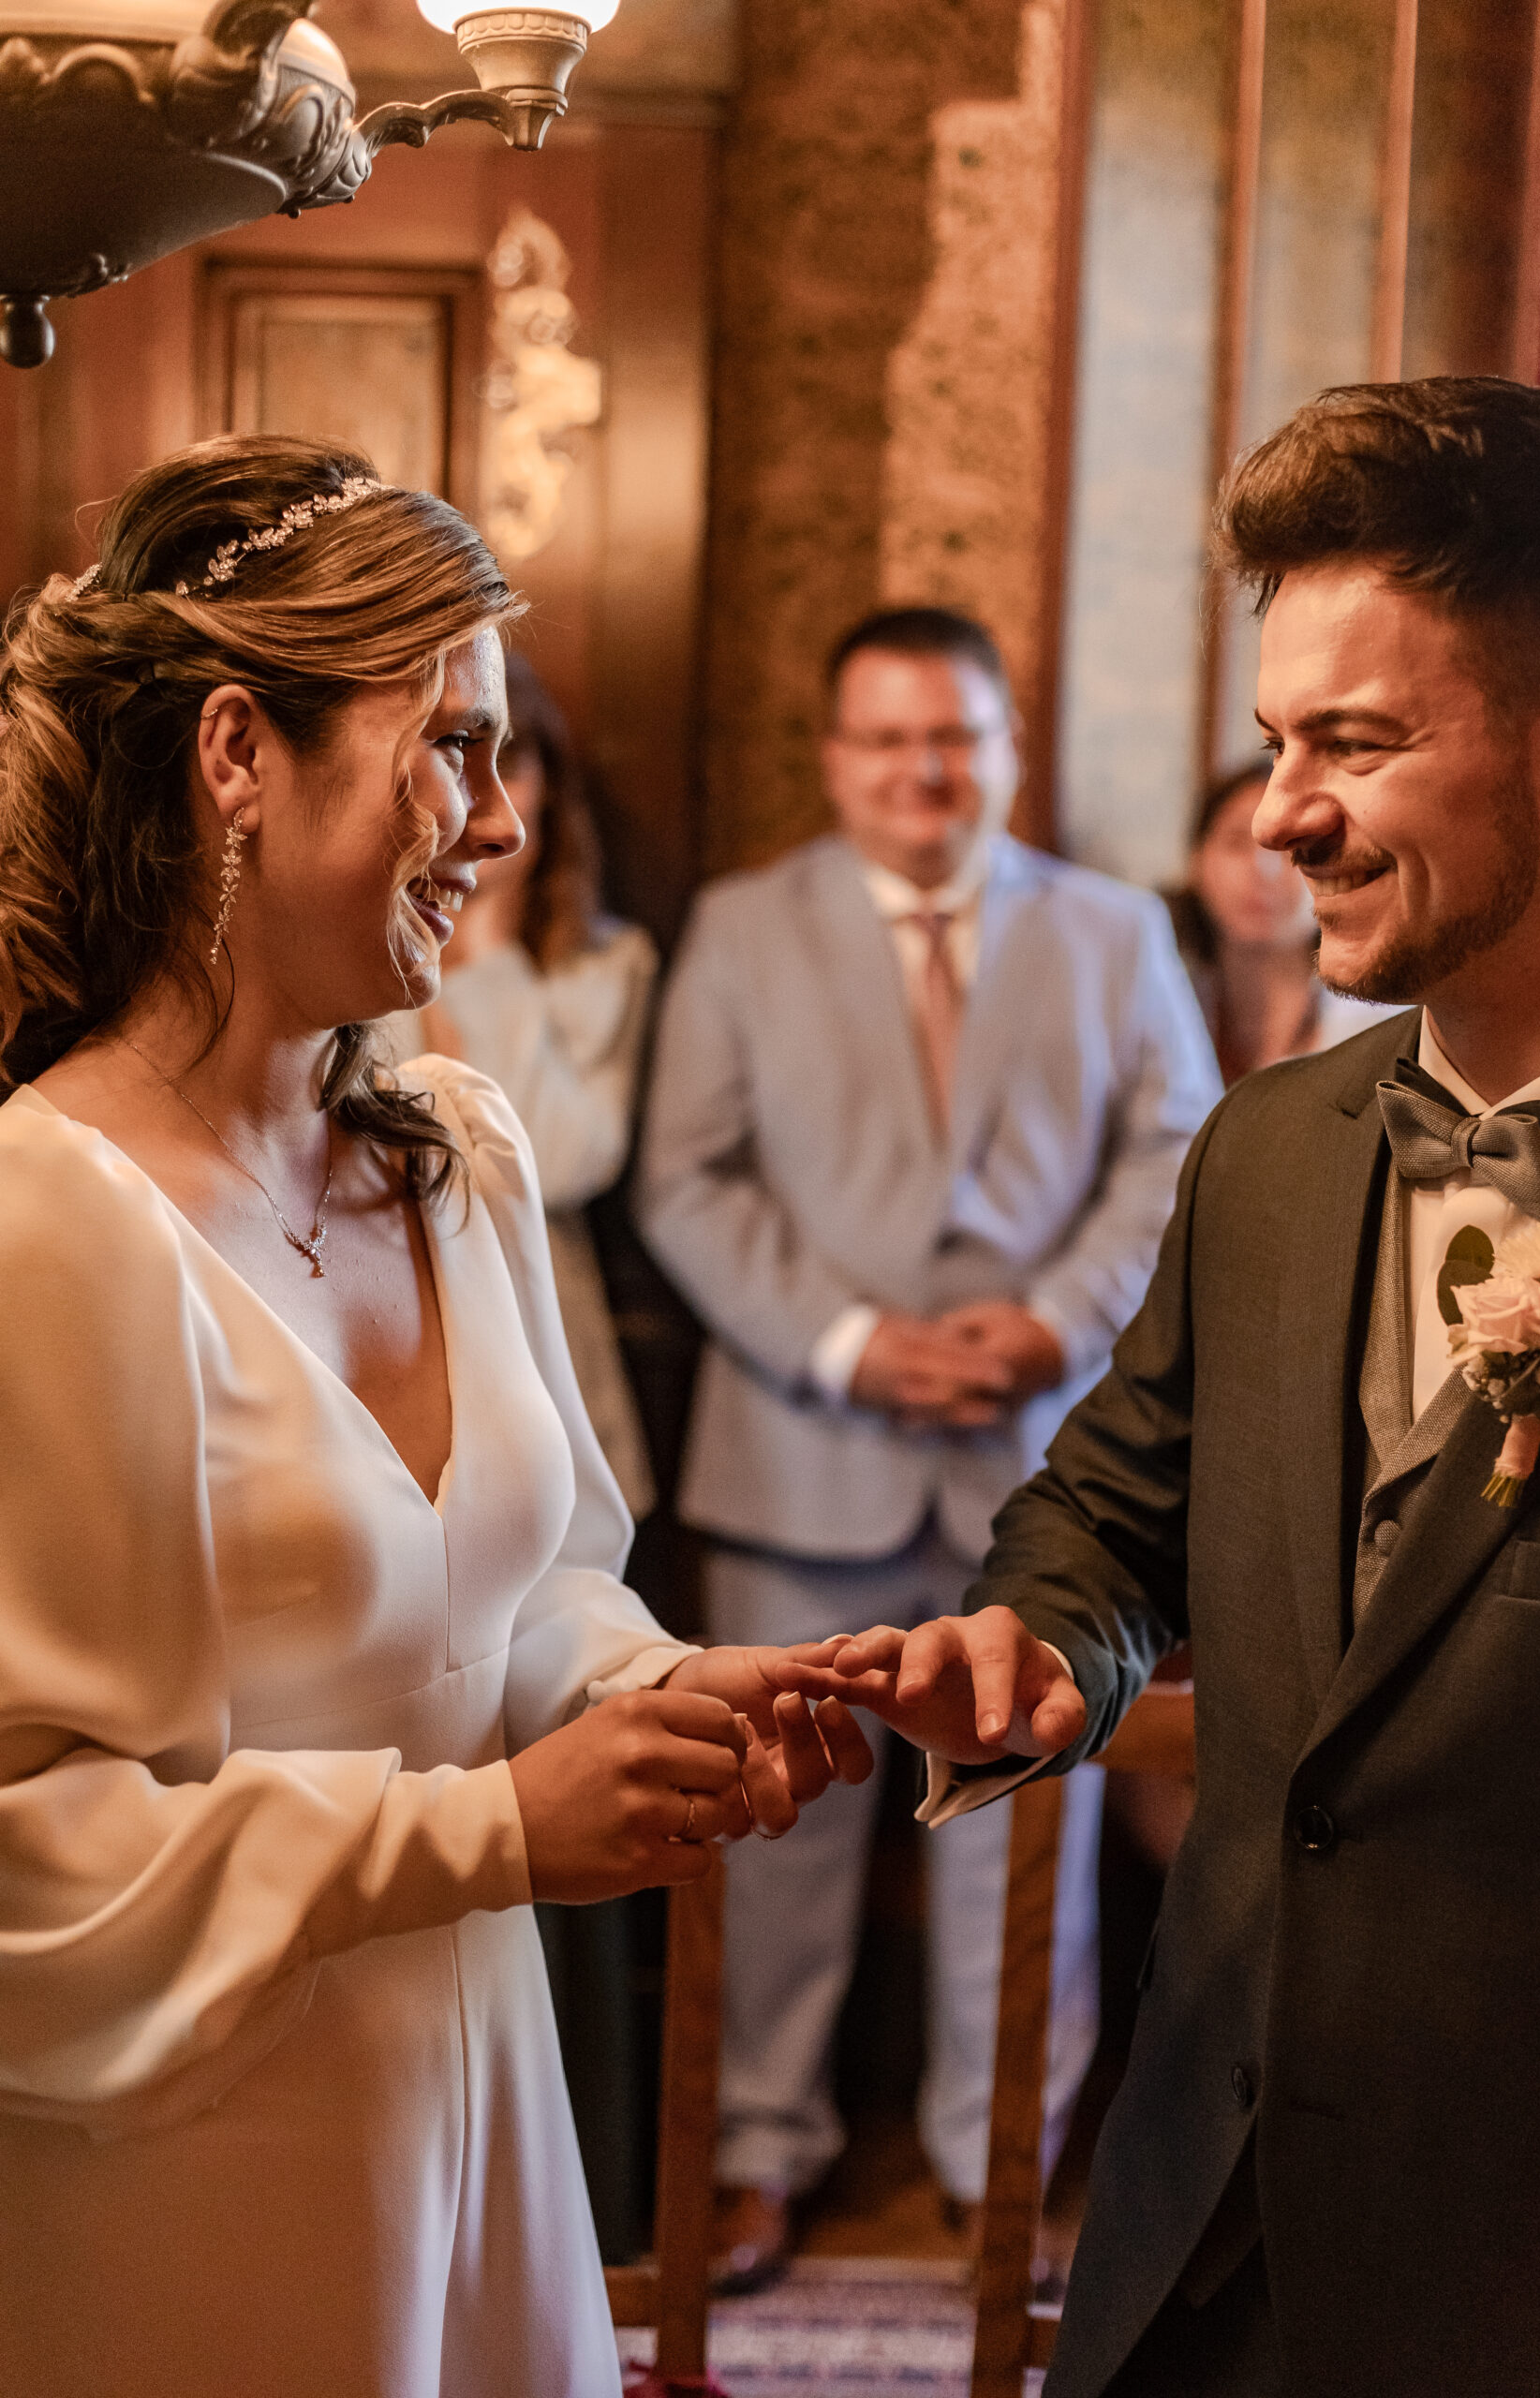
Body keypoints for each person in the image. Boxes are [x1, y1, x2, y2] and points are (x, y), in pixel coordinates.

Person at [0, 434, 875, 2398]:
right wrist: (483, 1828)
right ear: (238, 753)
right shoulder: (46, 1216)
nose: (500, 819)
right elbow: (22, 1839)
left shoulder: (452, 1150)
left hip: (481, 2089)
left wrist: (657, 1692)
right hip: (197, 2151)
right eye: (452, 747)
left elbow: (523, 1582)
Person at [786, 376, 1540, 2396]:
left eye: (1355, 742)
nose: (1276, 814)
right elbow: (1111, 1502)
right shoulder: (1266, 1149)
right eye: (1273, 742)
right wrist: (1041, 1637)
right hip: (1196, 2245)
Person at [635, 605, 1220, 2283]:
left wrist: (1049, 1324)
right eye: (887, 740)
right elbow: (687, 1177)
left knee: (1024, 1841)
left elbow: (1180, 1152)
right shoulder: (740, 927)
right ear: (834, 760)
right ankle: (755, 2153)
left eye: (954, 737)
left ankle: (997, 2165)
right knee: (773, 1833)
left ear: (1006, 749)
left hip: (1047, 1470)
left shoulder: (1110, 928)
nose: (923, 772)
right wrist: (846, 1343)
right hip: (797, 1453)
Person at [389, 653, 657, 1518]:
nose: (486, 795)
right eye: (456, 753)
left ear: (548, 788)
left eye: (515, 760)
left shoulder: (603, 962)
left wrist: (489, 952)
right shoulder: (360, 951)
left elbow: (566, 1161)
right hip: (387, 1323)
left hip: (544, 1340)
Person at [1168, 761, 1397, 1085]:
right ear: (1195, 861)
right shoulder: (1157, 994)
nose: (1264, 869)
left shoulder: (1383, 1024)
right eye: (1237, 843)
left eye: (1293, 847)